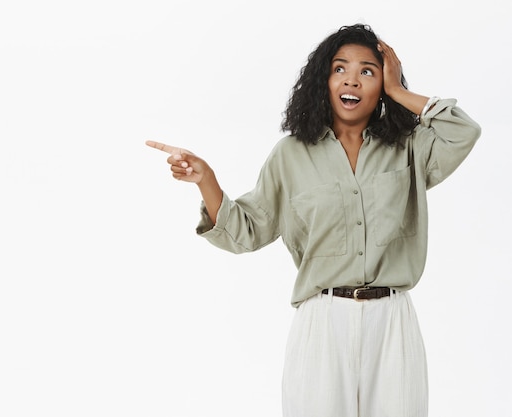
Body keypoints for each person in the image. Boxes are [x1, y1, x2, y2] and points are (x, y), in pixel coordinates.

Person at [146, 23, 480, 417]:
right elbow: (247, 231)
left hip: (392, 321)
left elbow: (462, 131)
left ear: (382, 83)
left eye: (368, 71)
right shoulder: (291, 154)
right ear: (323, 79)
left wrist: (400, 93)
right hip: (323, 322)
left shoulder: (408, 147)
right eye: (340, 69)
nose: (351, 80)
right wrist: (207, 181)